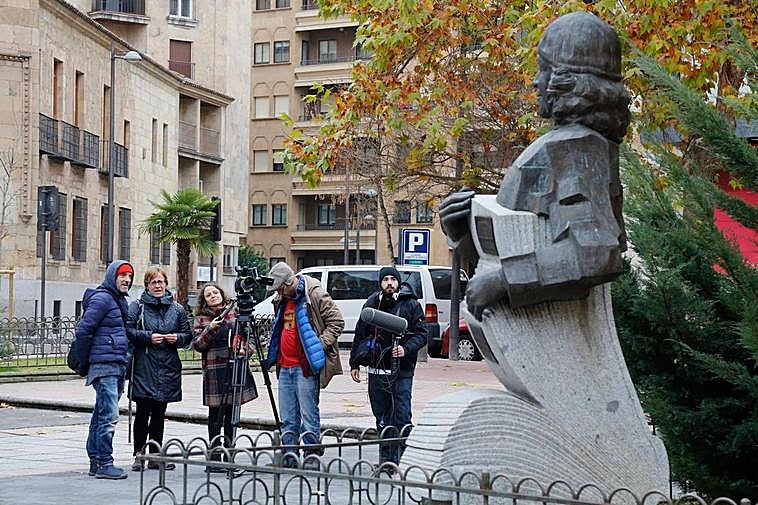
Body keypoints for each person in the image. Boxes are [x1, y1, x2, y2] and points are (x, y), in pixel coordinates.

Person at [439, 10, 631, 318]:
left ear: (567, 80)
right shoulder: (570, 144)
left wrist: (505, 279)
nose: (535, 80)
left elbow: (596, 254)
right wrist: (462, 232)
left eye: (544, 69)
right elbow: (525, 241)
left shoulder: (576, 147)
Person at [262, 262, 344, 468]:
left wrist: (319, 345)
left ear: (290, 281)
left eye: (281, 288)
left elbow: (337, 322)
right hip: (285, 365)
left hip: (305, 366)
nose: (279, 292)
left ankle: (311, 456)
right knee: (288, 416)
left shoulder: (314, 294)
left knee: (308, 414)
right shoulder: (282, 298)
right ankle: (289, 455)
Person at [349, 266, 426, 472]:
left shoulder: (410, 304)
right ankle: (386, 460)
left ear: (398, 282)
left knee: (401, 416)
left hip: (402, 371)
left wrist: (405, 348)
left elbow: (421, 334)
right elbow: (360, 333)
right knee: (382, 416)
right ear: (380, 283)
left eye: (393, 279)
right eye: (386, 280)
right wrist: (354, 363)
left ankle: (402, 461)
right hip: (377, 370)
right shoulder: (372, 303)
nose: (390, 283)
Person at [126, 267, 191, 471]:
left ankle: (155, 455)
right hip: (145, 365)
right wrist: (147, 336)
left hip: (167, 365)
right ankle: (139, 454)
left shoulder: (177, 308)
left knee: (160, 412)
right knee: (143, 411)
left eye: (160, 282)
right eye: (153, 282)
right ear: (146, 285)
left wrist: (177, 338)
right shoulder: (137, 306)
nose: (157, 286)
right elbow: (127, 330)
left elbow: (187, 335)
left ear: (166, 284)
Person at [73, 259, 134, 480]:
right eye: (122, 276)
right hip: (104, 364)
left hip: (115, 363)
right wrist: (84, 361)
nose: (126, 280)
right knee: (109, 415)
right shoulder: (103, 299)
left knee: (101, 414)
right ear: (112, 277)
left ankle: (95, 461)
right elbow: (84, 330)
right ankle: (104, 462)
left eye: (129, 276)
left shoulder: (117, 300)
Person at [191, 282, 258, 472]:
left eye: (215, 292)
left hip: (234, 367)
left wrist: (246, 351)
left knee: (232, 415)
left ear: (221, 293)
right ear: (204, 300)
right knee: (215, 416)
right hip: (215, 370)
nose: (213, 296)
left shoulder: (235, 312)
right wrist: (210, 328)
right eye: (208, 295)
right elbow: (197, 344)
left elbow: (250, 338)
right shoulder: (201, 318)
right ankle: (214, 457)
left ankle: (229, 455)